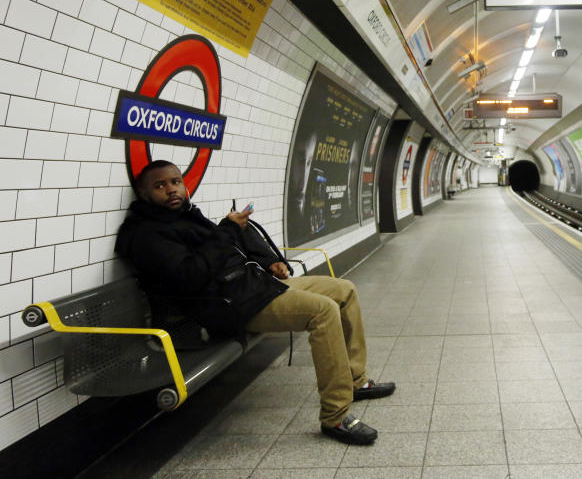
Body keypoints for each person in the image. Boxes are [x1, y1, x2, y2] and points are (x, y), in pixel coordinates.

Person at [115, 160, 394, 445]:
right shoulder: (146, 235)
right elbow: (190, 275)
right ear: (144, 194)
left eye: (175, 182)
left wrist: (268, 259)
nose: (171, 190)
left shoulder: (185, 217)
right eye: (160, 186)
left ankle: (355, 381)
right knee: (323, 311)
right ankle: (335, 415)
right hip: (228, 306)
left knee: (344, 290)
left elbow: (227, 248)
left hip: (250, 287)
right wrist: (226, 229)